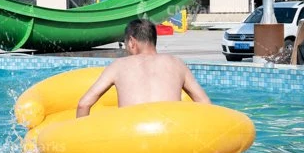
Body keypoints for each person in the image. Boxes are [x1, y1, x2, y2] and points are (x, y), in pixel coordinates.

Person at [76, 17, 210, 117]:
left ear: (132, 42)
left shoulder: (118, 66)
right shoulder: (177, 63)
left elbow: (84, 104)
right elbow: (205, 103)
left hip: (133, 139)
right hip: (170, 138)